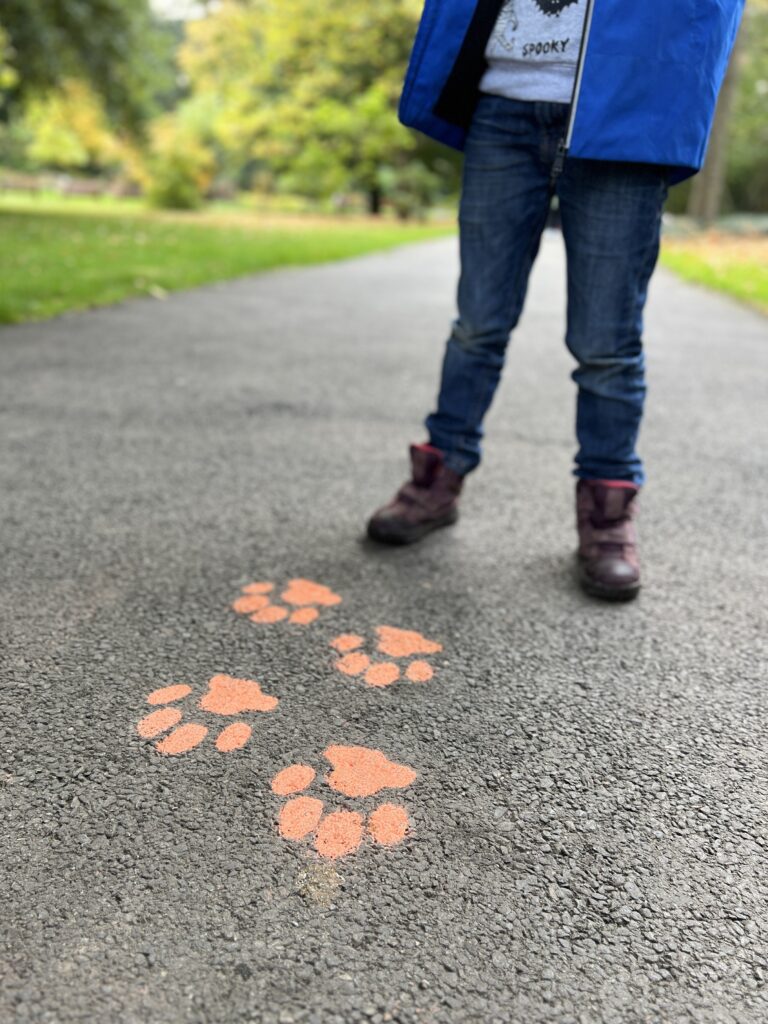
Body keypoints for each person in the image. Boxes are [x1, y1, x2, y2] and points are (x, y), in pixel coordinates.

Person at [367, 0, 745, 601]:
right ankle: (437, 480)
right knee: (478, 323)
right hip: (504, 102)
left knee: (607, 344)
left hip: (629, 105)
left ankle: (607, 516)